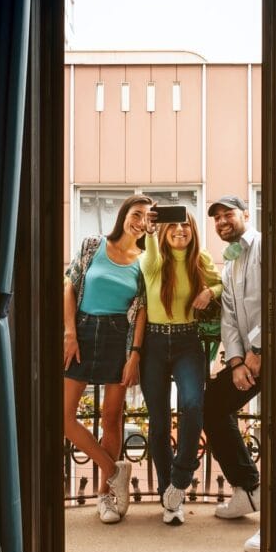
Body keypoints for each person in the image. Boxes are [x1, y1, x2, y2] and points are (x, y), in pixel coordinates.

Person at [203, 194, 276, 552]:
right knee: (212, 404)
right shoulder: (230, 265)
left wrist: (258, 352)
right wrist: (238, 362)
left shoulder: (272, 247)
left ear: (245, 214)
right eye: (217, 218)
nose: (223, 222)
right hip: (251, 361)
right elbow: (229, 319)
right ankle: (247, 489)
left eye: (228, 215)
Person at [63, 195, 152, 524]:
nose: (140, 221)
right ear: (124, 214)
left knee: (111, 417)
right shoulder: (92, 244)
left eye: (147, 217)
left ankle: (106, 497)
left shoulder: (145, 260)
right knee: (64, 417)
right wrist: (70, 333)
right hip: (83, 332)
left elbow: (141, 311)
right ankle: (114, 470)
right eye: (136, 213)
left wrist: (134, 355)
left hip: (119, 336)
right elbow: (69, 286)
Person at [139, 209, 222, 525]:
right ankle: (169, 499)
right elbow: (147, 255)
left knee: (191, 404)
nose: (179, 229)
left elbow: (221, 284)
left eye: (185, 224)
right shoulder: (154, 260)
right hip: (154, 345)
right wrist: (148, 230)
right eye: (172, 224)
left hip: (188, 341)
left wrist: (208, 291)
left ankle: (180, 478)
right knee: (158, 421)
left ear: (193, 229)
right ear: (163, 230)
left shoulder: (200, 258)